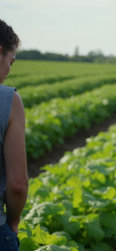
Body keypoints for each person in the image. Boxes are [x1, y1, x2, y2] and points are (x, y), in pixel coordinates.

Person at [0, 19, 28, 251]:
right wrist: (13, 222)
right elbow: (18, 184)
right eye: (11, 61)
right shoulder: (7, 100)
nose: (10, 70)